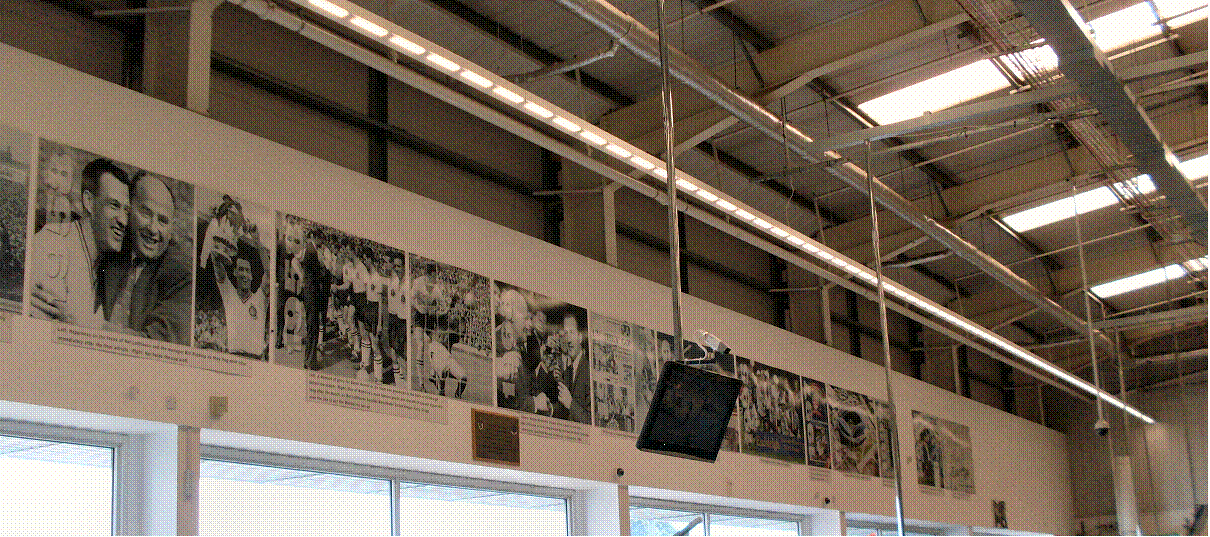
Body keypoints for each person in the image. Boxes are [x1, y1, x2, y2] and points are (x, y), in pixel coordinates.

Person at [29, 156, 129, 327]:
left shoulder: (102, 263)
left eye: (126, 211)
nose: (123, 220)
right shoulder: (52, 243)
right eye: (114, 205)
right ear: (89, 202)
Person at [101, 171, 190, 345]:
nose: (153, 228)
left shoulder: (182, 277)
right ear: (128, 210)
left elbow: (156, 344)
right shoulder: (109, 244)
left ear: (171, 228)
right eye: (146, 213)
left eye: (162, 221)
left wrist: (87, 324)